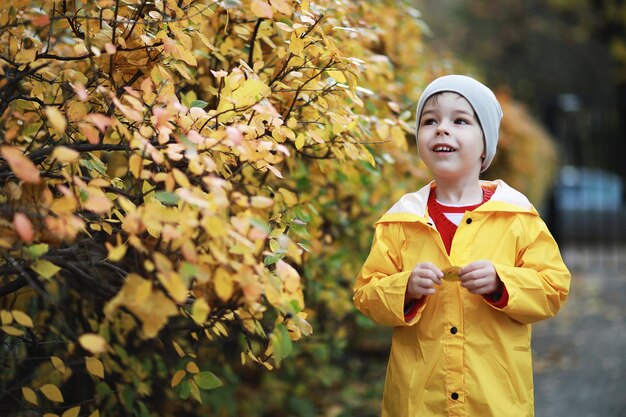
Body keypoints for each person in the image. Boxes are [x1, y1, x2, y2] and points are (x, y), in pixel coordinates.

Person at [353, 75, 571, 417]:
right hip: (419, 403)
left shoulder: (516, 217)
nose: (441, 129)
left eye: (460, 120)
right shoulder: (400, 220)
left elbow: (553, 287)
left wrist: (503, 283)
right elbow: (366, 294)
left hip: (495, 401)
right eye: (429, 121)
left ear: (486, 144)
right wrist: (404, 288)